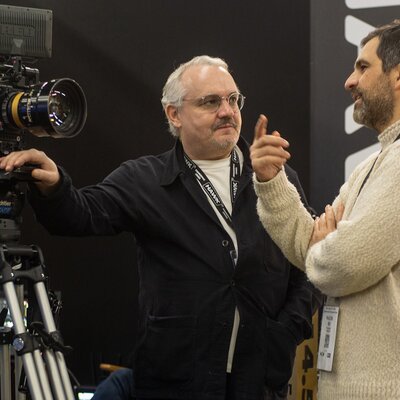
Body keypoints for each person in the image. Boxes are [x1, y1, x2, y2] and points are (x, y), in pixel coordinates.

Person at [0, 55, 320, 400]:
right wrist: (54, 184)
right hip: (175, 381)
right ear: (174, 114)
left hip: (258, 383)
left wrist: (286, 331)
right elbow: (80, 214)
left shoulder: (273, 179)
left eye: (233, 99)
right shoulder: (146, 179)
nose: (227, 111)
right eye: (210, 102)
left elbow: (311, 261)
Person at [250, 20, 400, 400]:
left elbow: (346, 261)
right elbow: (312, 245)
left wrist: (327, 248)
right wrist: (271, 182)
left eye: (363, 68)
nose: (350, 81)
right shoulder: (373, 165)